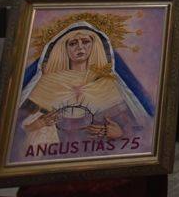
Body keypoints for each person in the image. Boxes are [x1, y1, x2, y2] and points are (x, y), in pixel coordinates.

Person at [15, 22, 153, 161]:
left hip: (102, 158)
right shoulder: (46, 85)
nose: (80, 47)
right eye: (73, 43)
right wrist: (35, 126)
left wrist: (120, 133)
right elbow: (12, 130)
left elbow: (138, 129)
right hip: (55, 161)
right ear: (63, 48)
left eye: (86, 42)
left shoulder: (109, 83)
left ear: (94, 45)